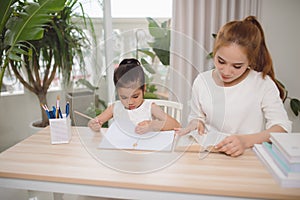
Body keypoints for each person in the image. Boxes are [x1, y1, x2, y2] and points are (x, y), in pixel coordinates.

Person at [175, 16, 292, 157]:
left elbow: (282, 128)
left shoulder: (262, 83)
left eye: (237, 66)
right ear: (215, 51)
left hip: (248, 157)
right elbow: (197, 116)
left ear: (250, 60)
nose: (226, 71)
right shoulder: (202, 81)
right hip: (209, 155)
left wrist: (245, 141)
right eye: (221, 61)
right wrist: (196, 123)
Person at [88, 58, 180, 134]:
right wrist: (93, 125)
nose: (130, 102)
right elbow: (95, 122)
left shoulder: (150, 107)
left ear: (144, 89)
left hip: (145, 151)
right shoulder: (115, 108)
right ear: (118, 92)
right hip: (121, 151)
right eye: (124, 97)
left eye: (135, 96)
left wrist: (151, 125)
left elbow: (176, 125)